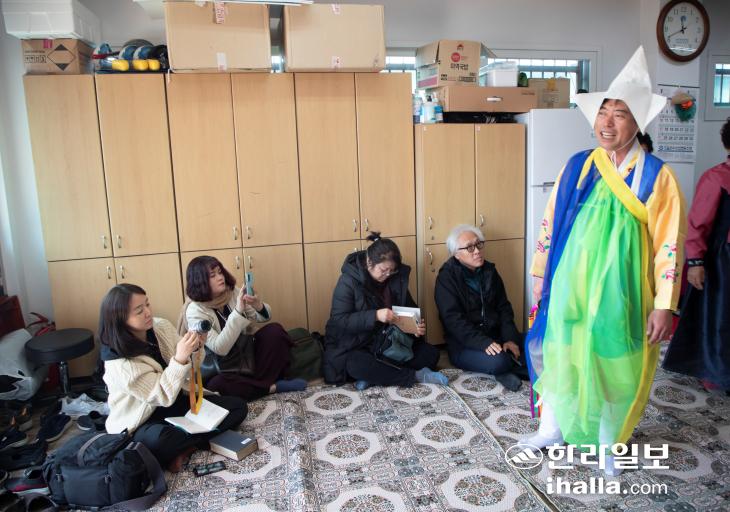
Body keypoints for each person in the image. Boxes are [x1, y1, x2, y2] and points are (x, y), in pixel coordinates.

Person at [522, 47, 687, 477]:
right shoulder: (579, 165)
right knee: (561, 352)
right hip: (570, 284)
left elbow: (670, 245)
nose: (607, 123)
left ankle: (608, 443)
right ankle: (551, 429)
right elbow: (551, 221)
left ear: (638, 123)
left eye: (620, 115)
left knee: (613, 365)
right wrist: (540, 274)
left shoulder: (658, 176)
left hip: (622, 291)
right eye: (603, 113)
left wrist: (664, 305)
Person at [99, 283, 247, 472]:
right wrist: (179, 359)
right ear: (120, 319)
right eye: (139, 311)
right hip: (144, 419)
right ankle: (189, 441)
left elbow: (192, 369)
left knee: (237, 407)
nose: (148, 313)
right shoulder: (120, 364)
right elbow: (161, 396)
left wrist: (196, 348)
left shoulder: (160, 326)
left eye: (147, 304)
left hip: (177, 401)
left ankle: (187, 446)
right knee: (162, 441)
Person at [323, 232, 447, 389]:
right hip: (356, 345)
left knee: (431, 354)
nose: (388, 274)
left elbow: (409, 309)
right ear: (369, 262)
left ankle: (377, 376)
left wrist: (415, 328)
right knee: (356, 364)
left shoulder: (394, 278)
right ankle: (413, 376)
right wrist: (375, 315)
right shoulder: (348, 281)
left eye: (392, 270)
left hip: (387, 343)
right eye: (383, 270)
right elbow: (339, 320)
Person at [180, 256, 306, 400]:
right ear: (200, 281)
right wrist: (238, 312)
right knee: (217, 385)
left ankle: (255, 386)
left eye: (220, 272)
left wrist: (258, 305)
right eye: (212, 275)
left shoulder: (231, 292)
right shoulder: (195, 311)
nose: (220, 277)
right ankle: (272, 387)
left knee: (275, 331)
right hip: (222, 367)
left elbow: (264, 317)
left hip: (246, 354)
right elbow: (220, 348)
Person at [663, 118, 730, 391]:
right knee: (718, 319)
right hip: (721, 263)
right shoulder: (717, 177)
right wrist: (696, 262)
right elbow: (698, 222)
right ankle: (714, 373)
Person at [434, 224, 526, 391]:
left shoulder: (490, 271)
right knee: (499, 361)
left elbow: (504, 308)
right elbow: (453, 321)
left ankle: (510, 366)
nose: (477, 251)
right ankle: (510, 368)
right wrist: (484, 343)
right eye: (469, 248)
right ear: (456, 254)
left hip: (496, 337)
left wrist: (509, 339)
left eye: (478, 244)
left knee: (535, 341)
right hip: (466, 345)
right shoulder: (447, 278)